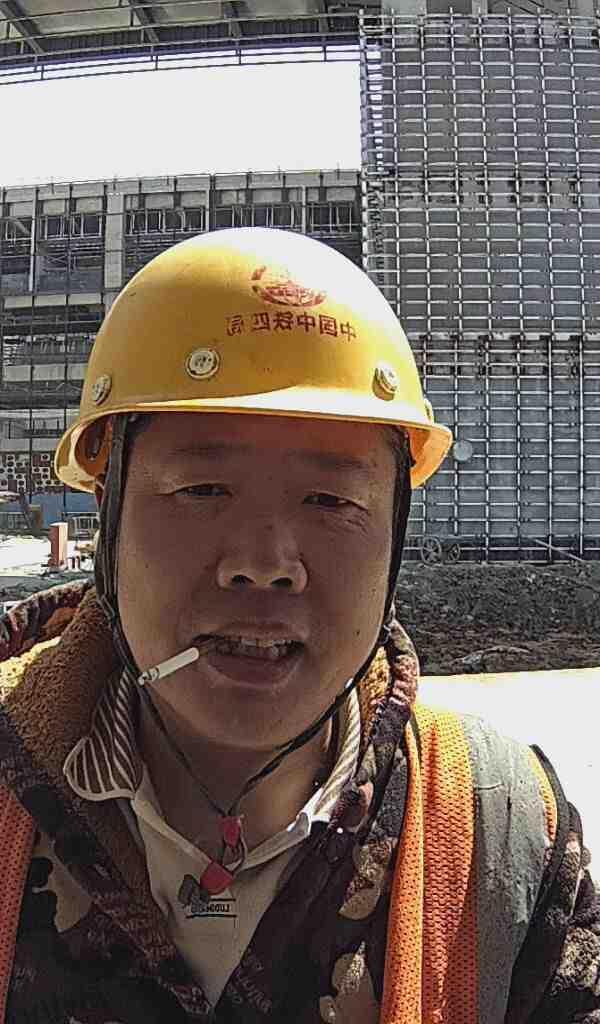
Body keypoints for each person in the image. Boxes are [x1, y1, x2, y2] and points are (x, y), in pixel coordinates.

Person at [0, 228, 597, 1024]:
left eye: (331, 501)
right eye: (202, 490)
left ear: (396, 529)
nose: (264, 563)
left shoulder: (501, 827)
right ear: (107, 512)